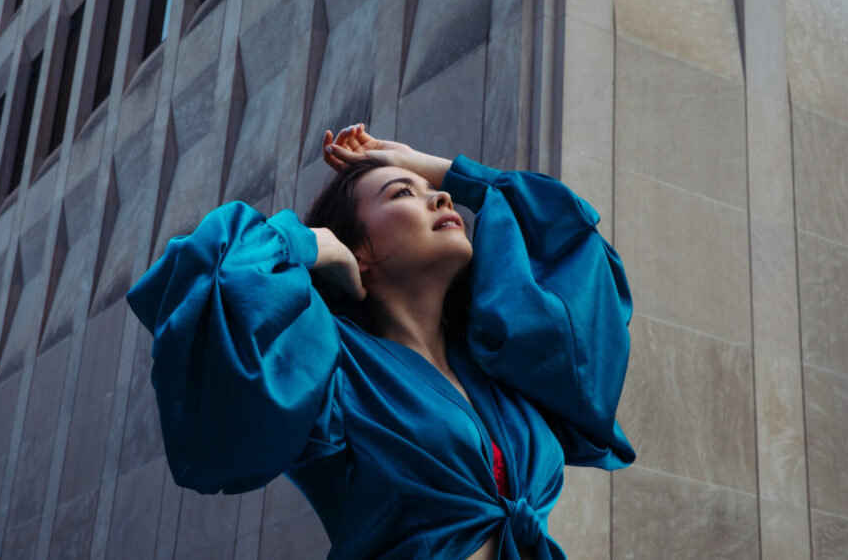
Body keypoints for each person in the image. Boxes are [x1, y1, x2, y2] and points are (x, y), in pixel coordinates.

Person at [126, 123, 635, 559]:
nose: (440, 196)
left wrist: (434, 168)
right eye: (402, 193)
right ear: (360, 249)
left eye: (434, 189)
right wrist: (311, 244)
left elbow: (574, 241)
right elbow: (211, 283)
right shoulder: (333, 366)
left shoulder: (505, 369)